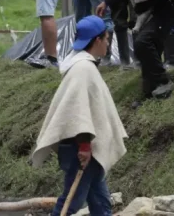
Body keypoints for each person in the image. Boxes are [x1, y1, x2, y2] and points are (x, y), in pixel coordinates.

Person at [32, 16, 128, 216]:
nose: (108, 43)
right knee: (71, 201)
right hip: (81, 148)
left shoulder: (81, 65)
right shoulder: (83, 68)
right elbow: (79, 113)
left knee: (100, 202)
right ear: (97, 40)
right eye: (106, 38)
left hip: (84, 147)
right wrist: (84, 146)